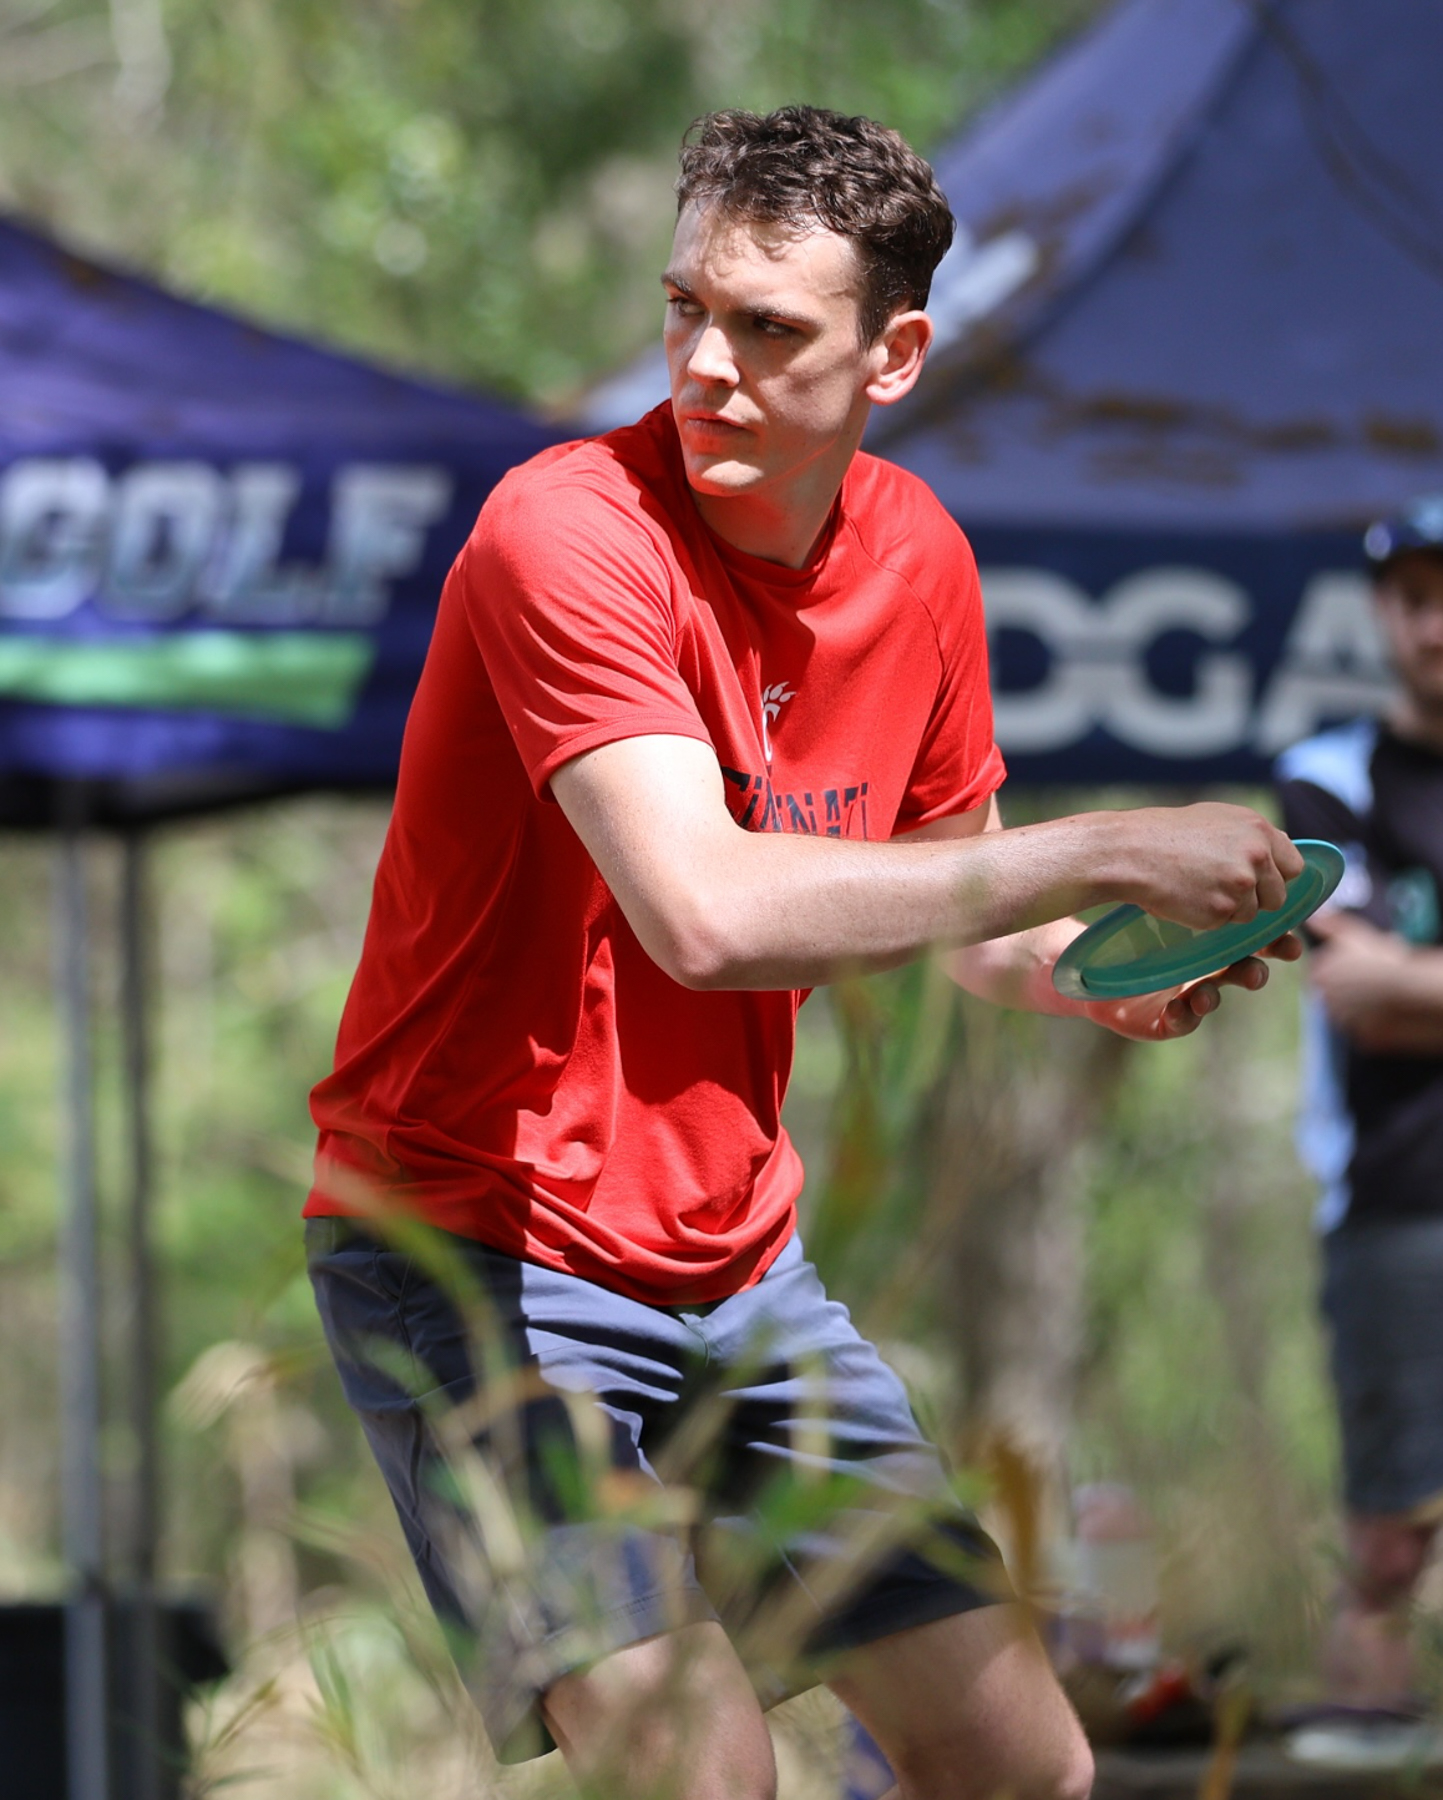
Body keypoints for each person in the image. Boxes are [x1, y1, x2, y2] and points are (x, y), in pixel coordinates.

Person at [306, 105, 1301, 1800]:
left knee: (1022, 1767)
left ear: (891, 356)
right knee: (704, 1775)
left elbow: (967, 905)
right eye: (683, 308)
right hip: (472, 1254)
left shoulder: (916, 560)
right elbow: (706, 916)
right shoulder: (567, 533)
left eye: (766, 328)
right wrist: (1107, 840)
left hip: (733, 1269)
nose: (705, 365)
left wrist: (1099, 967)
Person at [1275, 500, 1443, 1720]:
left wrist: (1412, 980)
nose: (1436, 627)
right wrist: (1394, 989)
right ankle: (1365, 1753)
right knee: (1390, 1542)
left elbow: (1401, 985)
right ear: (1384, 615)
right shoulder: (1327, 777)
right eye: (1416, 600)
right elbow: (1362, 999)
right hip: (1399, 1202)